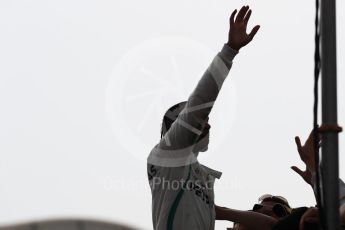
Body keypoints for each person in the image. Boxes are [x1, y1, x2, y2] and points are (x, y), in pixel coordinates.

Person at [147, 5, 260, 230]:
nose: (205, 122)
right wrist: (229, 51)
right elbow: (200, 103)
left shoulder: (195, 173)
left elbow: (270, 226)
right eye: (196, 119)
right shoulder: (168, 154)